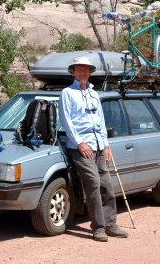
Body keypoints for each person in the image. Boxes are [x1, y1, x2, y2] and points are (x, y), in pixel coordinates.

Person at [59, 56, 128, 242]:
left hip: (98, 145)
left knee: (107, 184)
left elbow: (101, 121)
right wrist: (80, 143)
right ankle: (98, 227)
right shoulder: (67, 93)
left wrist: (106, 145)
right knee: (94, 183)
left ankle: (111, 224)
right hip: (81, 147)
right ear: (73, 71)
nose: (83, 72)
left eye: (86, 69)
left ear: (90, 72)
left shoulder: (94, 94)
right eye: (79, 69)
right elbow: (66, 121)